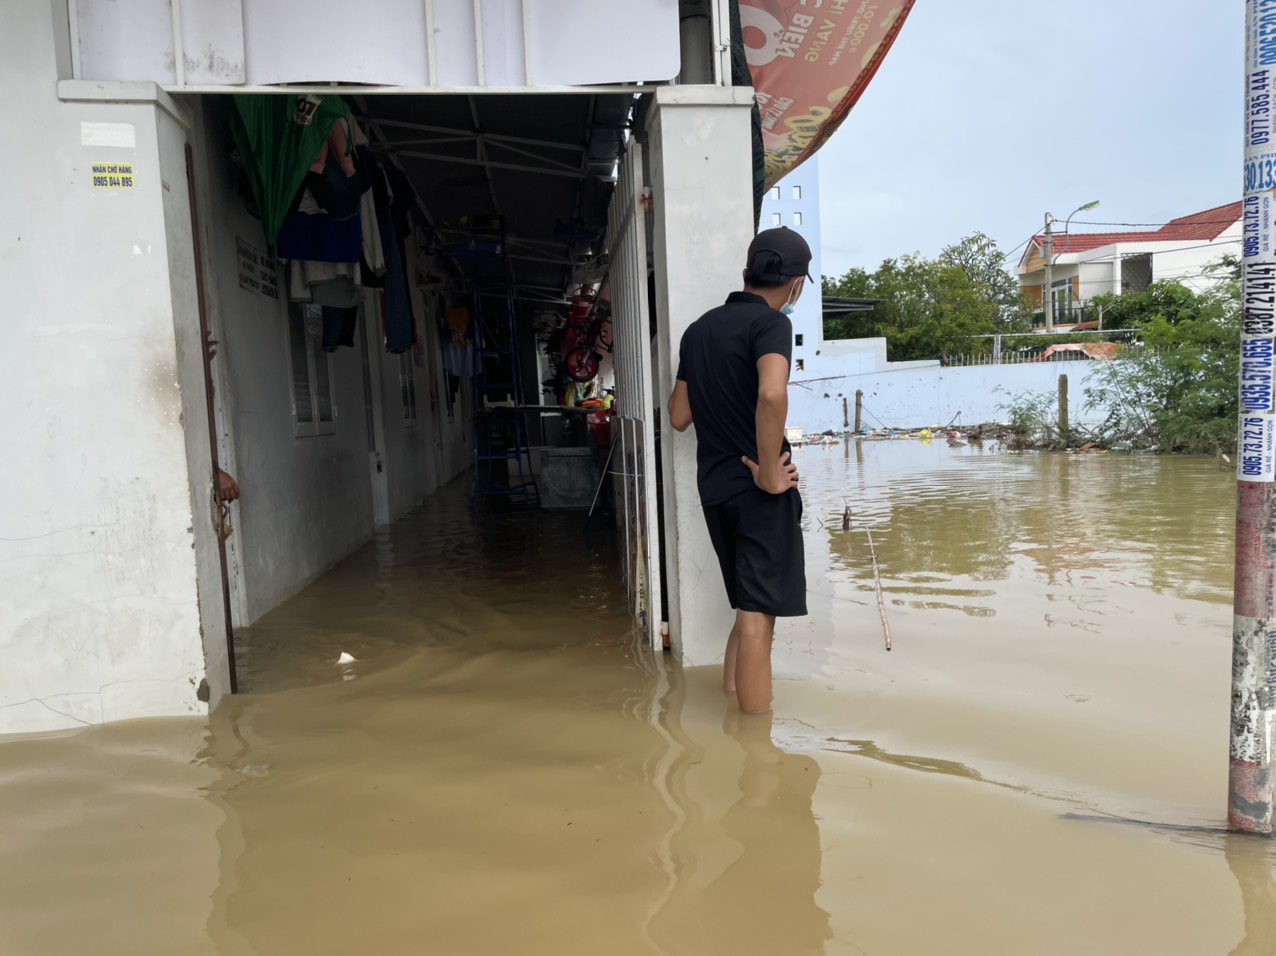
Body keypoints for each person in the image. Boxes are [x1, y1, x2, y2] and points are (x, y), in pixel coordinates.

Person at [667, 227, 809, 715]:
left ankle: (732, 711)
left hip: (716, 491)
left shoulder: (698, 330)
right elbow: (772, 392)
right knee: (758, 622)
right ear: (796, 284)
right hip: (758, 493)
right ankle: (757, 752)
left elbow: (678, 416)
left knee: (747, 611)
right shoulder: (771, 326)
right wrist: (769, 471)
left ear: (748, 271)